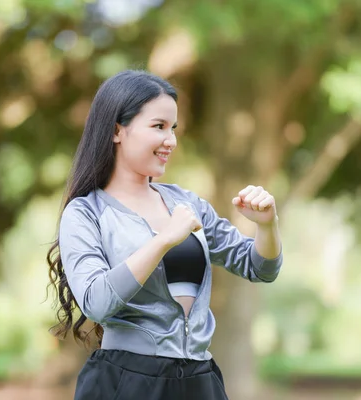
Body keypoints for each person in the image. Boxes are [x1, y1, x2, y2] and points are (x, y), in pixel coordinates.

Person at [47, 70, 283, 400]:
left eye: (173, 128)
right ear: (117, 130)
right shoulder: (86, 213)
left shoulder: (186, 204)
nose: (170, 140)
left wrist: (267, 225)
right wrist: (162, 240)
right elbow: (96, 303)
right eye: (158, 126)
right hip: (126, 382)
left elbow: (260, 268)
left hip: (199, 380)